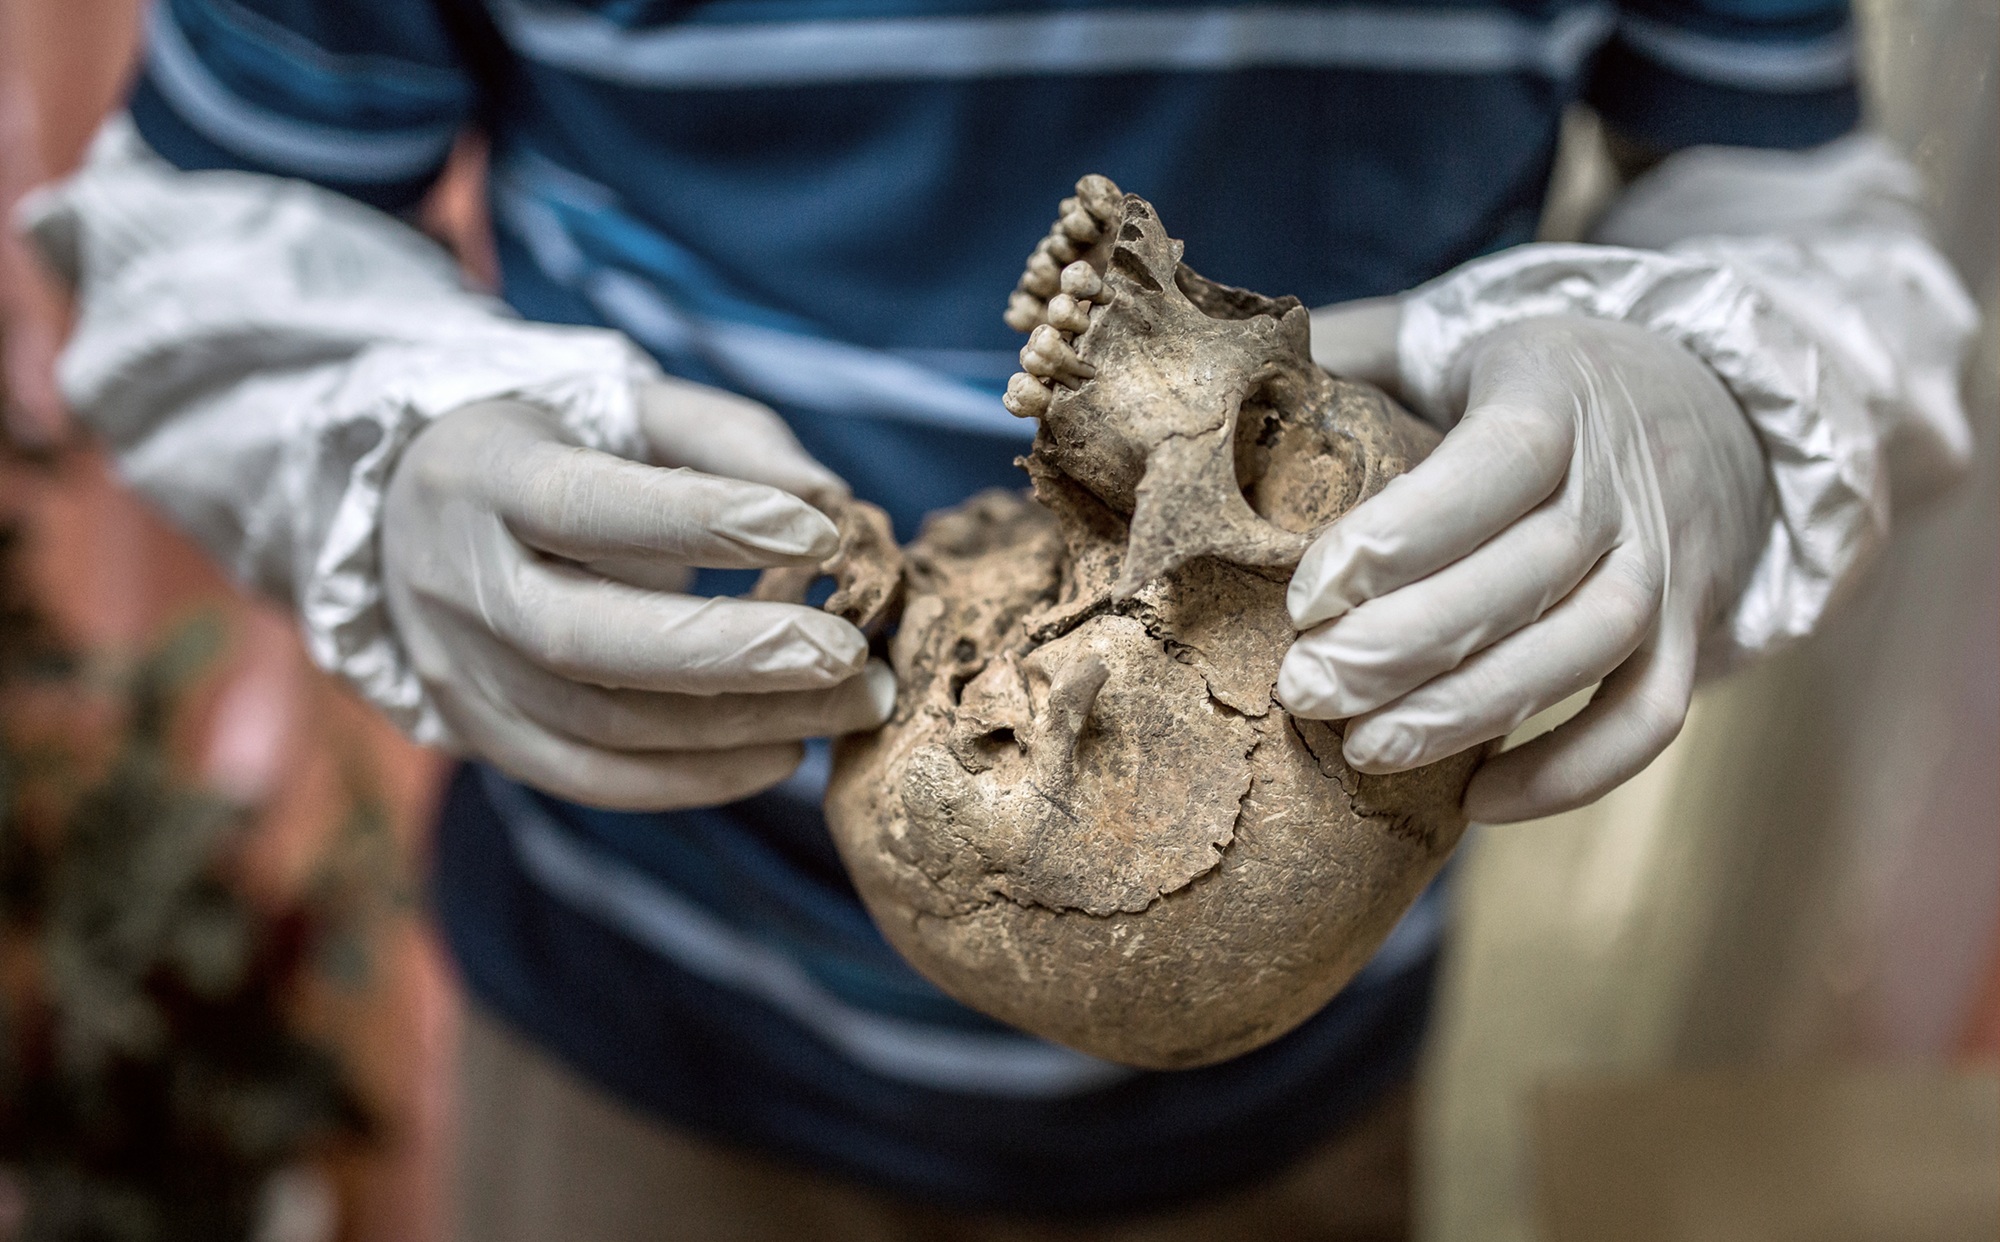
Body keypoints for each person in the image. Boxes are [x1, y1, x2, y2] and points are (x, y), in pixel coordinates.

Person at [18, 0, 1976, 1237]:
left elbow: (1770, 175)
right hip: (637, 1037)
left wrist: (1734, 389)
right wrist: (365, 444)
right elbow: (220, 210)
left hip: (1293, 1116)